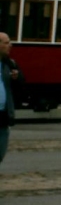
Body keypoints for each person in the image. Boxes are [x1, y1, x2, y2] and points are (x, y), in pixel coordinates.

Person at [0, 32, 18, 167]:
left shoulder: (9, 63)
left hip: (3, 115)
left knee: (0, 152)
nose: (10, 46)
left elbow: (21, 85)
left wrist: (17, 77)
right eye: (6, 43)